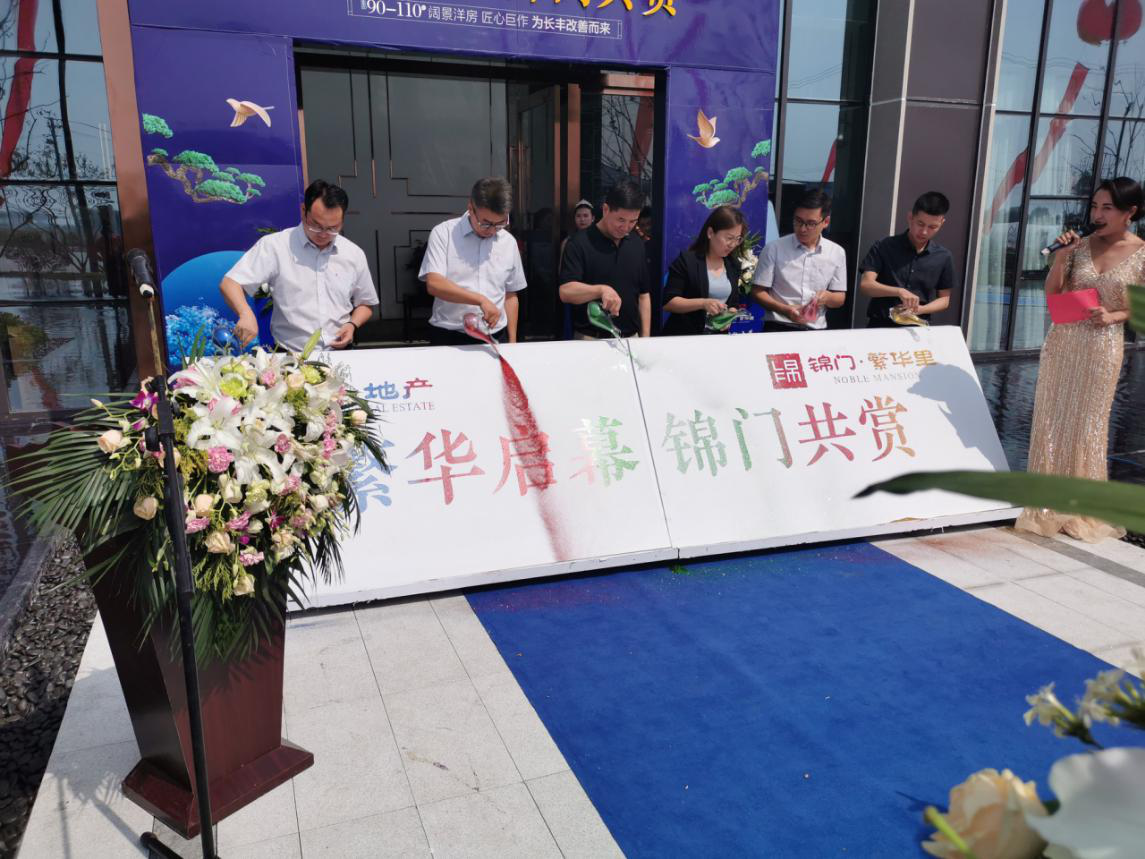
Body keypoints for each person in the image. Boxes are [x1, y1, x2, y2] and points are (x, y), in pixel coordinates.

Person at [1015, 177, 1144, 542]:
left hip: (1102, 348)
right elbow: (1053, 294)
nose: (1097, 215)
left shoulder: (1142, 253)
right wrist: (1061, 257)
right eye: (1094, 207)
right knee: (1051, 419)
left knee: (1089, 424)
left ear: (1130, 212)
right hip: (1063, 342)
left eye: (1107, 208)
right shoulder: (1079, 245)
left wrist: (1114, 316)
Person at [221, 179, 377, 351]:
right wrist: (245, 313)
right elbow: (230, 283)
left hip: (341, 353)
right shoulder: (275, 246)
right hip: (291, 355)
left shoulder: (353, 253)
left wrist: (352, 324)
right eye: (316, 226)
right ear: (303, 211)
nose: (323, 234)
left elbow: (366, 303)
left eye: (332, 228)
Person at [419, 176, 527, 346]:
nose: (492, 230)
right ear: (471, 208)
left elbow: (510, 294)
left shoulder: (508, 242)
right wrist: (480, 300)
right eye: (486, 224)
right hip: (449, 335)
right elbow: (434, 284)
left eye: (500, 224)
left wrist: (512, 342)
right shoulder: (444, 234)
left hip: (495, 335)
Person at [559, 179, 651, 339]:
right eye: (621, 220)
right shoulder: (579, 243)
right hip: (591, 339)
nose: (625, 227)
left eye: (633, 221)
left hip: (632, 338)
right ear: (606, 209)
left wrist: (645, 338)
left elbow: (643, 295)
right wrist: (600, 290)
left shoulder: (636, 243)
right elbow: (566, 291)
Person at [752, 188, 847, 331]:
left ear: (826, 222)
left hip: (816, 331)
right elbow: (757, 292)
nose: (802, 229)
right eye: (798, 221)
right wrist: (785, 310)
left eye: (811, 223)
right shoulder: (774, 248)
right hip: (778, 327)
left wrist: (827, 297)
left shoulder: (836, 252)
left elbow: (840, 297)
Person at [859, 191, 955, 327]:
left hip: (917, 329)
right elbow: (866, 285)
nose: (924, 232)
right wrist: (899, 291)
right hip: (880, 326)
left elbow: (944, 299)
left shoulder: (943, 256)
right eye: (920, 224)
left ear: (941, 223)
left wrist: (921, 309)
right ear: (910, 217)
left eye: (932, 227)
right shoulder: (884, 246)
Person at [662, 205, 748, 336]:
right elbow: (668, 302)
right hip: (685, 336)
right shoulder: (687, 261)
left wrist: (729, 315)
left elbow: (733, 303)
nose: (733, 244)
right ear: (710, 233)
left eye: (738, 239)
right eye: (729, 238)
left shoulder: (733, 264)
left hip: (716, 339)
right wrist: (703, 303)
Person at [559, 199, 595, 265]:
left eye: (585, 216)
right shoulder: (567, 241)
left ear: (593, 218)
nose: (582, 219)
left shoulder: (598, 239)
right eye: (578, 216)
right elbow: (561, 267)